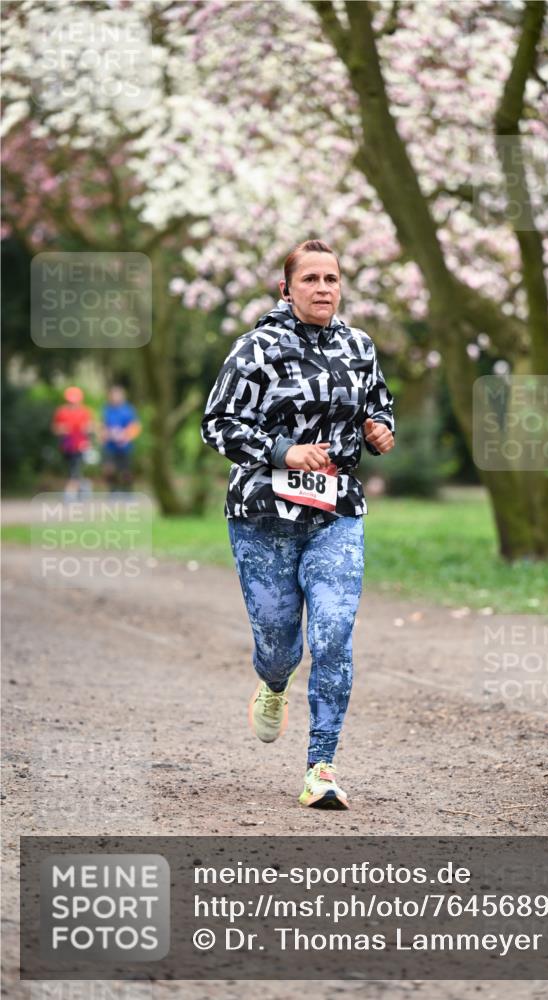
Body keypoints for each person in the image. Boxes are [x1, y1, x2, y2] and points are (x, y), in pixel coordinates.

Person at [201, 239, 395, 810]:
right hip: (264, 516)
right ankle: (275, 681)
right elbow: (218, 424)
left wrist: (379, 428)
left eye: (331, 278)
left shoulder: (359, 346)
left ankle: (322, 767)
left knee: (333, 635)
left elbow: (377, 404)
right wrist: (284, 451)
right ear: (286, 288)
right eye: (309, 279)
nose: (322, 288)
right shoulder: (256, 348)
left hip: (335, 512)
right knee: (280, 644)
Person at [51, 386, 94, 501]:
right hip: (67, 445)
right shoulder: (61, 412)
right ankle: (84, 487)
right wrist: (62, 429)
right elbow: (55, 428)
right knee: (72, 469)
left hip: (80, 445)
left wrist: (88, 439)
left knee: (74, 469)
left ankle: (70, 494)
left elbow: (89, 429)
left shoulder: (85, 412)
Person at [101, 385, 142, 493]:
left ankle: (127, 491)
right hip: (110, 445)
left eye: (117, 395)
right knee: (109, 469)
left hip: (124, 446)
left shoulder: (128, 410)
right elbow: (103, 426)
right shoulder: (107, 410)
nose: (115, 397)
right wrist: (106, 434)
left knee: (125, 471)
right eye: (113, 395)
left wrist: (125, 436)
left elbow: (136, 427)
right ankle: (113, 490)